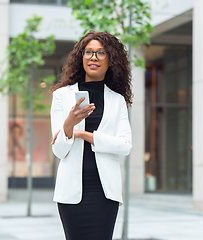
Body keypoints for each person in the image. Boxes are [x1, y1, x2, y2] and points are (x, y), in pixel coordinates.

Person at [49, 31, 132, 240]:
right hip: (71, 193)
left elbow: (125, 146)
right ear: (81, 57)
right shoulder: (62, 96)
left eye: (101, 53)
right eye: (88, 52)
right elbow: (59, 150)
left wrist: (84, 134)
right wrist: (69, 123)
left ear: (111, 60)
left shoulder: (117, 101)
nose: (93, 57)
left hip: (105, 194)